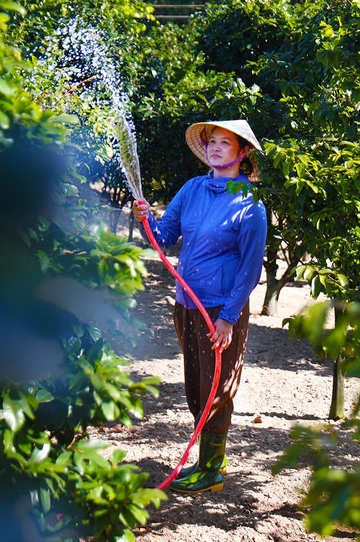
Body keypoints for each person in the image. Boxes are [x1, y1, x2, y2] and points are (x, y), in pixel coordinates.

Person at [132, 119, 267, 494]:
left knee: (217, 386)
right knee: (196, 382)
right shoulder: (192, 189)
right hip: (187, 303)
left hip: (220, 311)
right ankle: (205, 462)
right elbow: (164, 235)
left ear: (243, 154)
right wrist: (147, 218)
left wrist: (228, 317)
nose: (215, 147)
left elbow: (250, 269)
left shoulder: (251, 205)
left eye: (226, 143)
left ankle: (212, 469)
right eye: (212, 142)